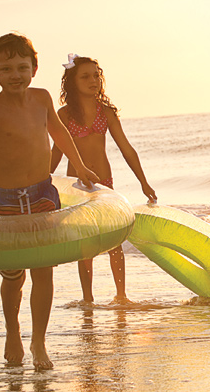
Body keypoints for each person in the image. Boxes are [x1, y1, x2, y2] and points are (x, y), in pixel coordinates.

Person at [0, 33, 101, 370]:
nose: (15, 74)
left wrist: (82, 166)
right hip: (5, 202)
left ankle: (39, 342)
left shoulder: (43, 98)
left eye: (21, 67)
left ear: (34, 68)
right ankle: (13, 331)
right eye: (6, 68)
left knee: (43, 272)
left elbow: (60, 133)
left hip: (43, 194)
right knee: (13, 276)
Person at [51, 53, 157, 305]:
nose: (93, 80)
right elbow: (56, 152)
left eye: (96, 75)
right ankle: (87, 299)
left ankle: (121, 295)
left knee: (114, 240)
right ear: (71, 82)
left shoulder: (106, 112)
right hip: (76, 186)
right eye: (85, 76)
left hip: (104, 183)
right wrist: (43, 184)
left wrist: (143, 181)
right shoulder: (64, 115)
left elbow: (126, 149)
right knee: (84, 245)